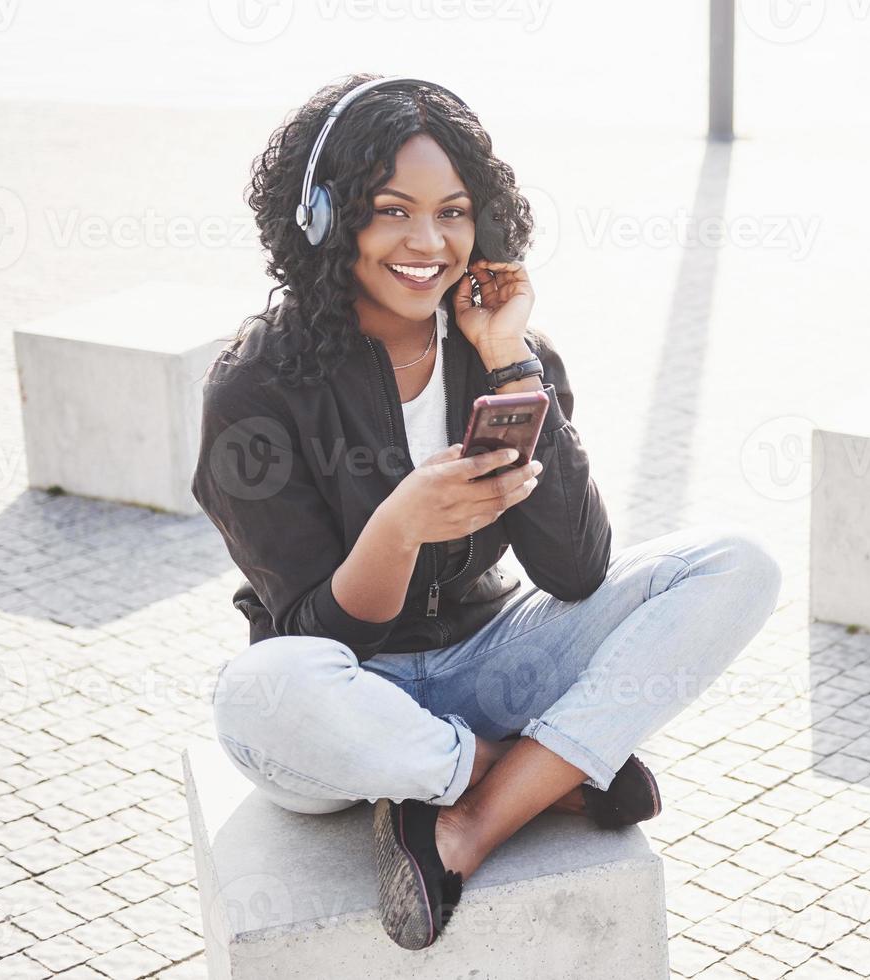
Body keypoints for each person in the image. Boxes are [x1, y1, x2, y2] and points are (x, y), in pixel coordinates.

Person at [190, 72, 783, 951]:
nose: (428, 241)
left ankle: (465, 824)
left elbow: (576, 571)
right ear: (322, 217)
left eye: (453, 212)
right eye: (391, 210)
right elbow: (314, 635)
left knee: (737, 563)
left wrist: (508, 360)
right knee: (254, 691)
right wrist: (400, 526)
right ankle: (544, 778)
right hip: (351, 709)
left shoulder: (504, 352)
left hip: (486, 665)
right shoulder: (255, 388)